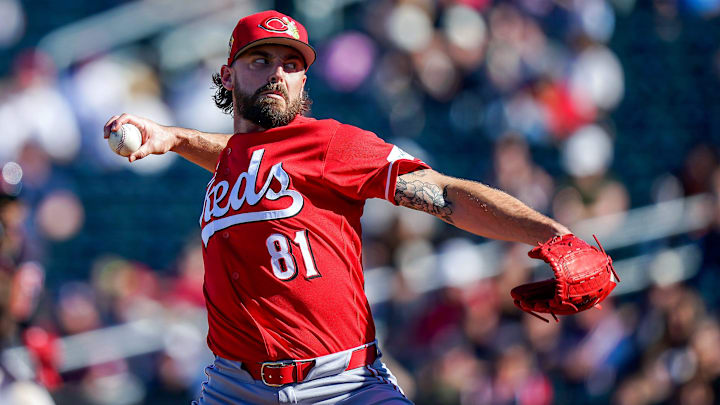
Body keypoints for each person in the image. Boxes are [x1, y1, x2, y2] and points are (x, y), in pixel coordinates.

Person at [104, 10, 571, 404]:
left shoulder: (329, 143)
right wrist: (175, 137)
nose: (277, 73)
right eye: (260, 60)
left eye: (291, 64)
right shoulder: (233, 158)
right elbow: (239, 152)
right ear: (227, 75)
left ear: (304, 78)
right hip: (233, 388)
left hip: (342, 384)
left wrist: (552, 234)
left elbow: (445, 195)